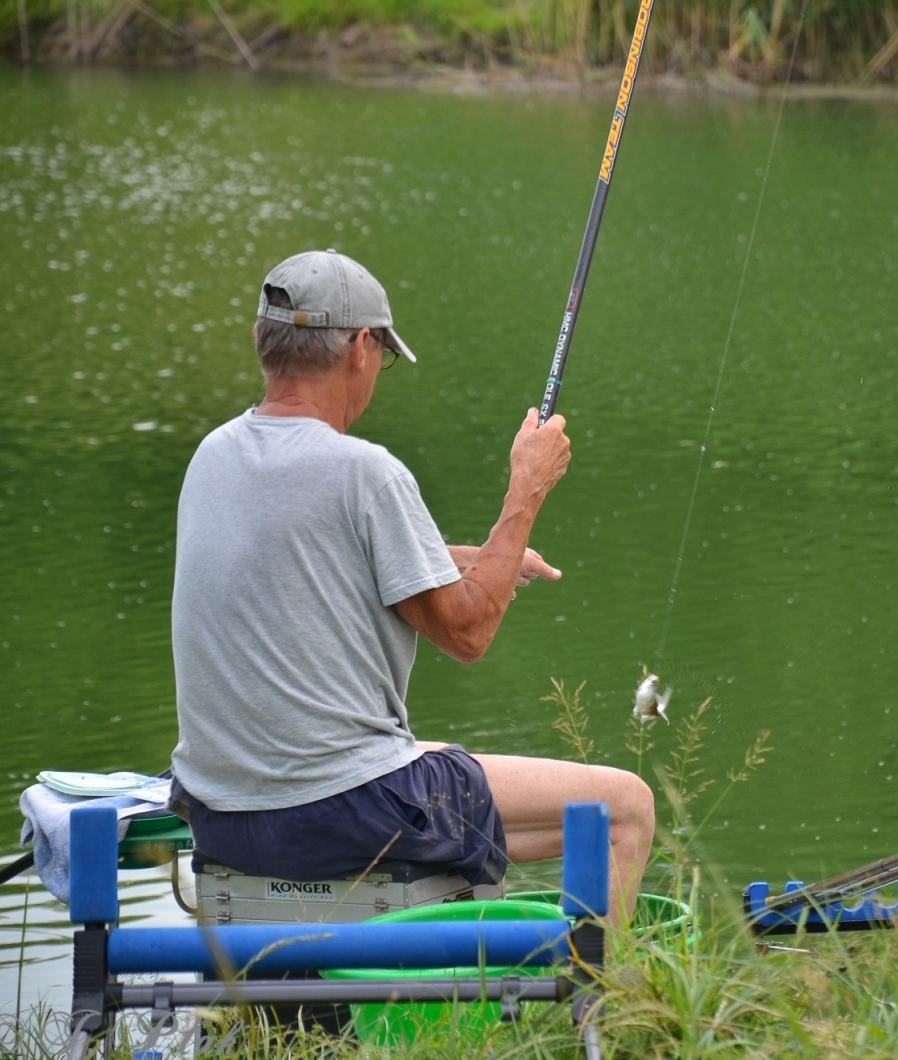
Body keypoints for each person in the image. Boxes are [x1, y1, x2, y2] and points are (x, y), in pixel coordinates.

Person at [168, 248, 653, 920]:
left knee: (435, 757)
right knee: (624, 808)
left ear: (262, 340)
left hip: (222, 814)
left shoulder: (213, 457)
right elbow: (468, 632)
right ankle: (598, 1010)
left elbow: (318, 556)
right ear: (361, 348)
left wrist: (478, 558)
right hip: (339, 816)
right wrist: (526, 488)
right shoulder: (365, 471)